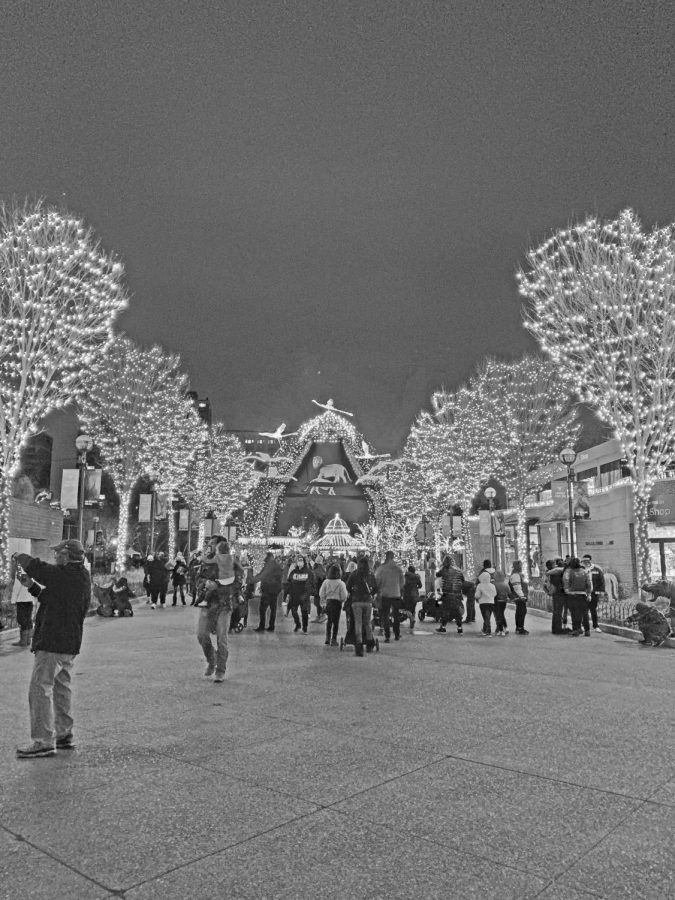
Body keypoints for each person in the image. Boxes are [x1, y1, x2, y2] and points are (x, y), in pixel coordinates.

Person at [13, 540, 91, 758]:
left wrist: (19, 555)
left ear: (66, 555)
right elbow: (52, 598)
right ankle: (64, 733)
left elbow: (41, 569)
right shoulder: (78, 576)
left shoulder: (67, 574)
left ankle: (43, 739)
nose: (55, 556)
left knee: (39, 688)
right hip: (69, 642)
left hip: (54, 641)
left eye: (57, 553)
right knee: (61, 686)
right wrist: (31, 585)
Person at [197, 538, 243, 681]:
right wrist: (205, 583)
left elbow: (238, 582)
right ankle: (212, 659)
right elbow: (197, 579)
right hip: (208, 603)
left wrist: (220, 586)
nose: (209, 546)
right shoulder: (206, 562)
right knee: (201, 635)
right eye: (209, 544)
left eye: (212, 544)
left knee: (222, 638)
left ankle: (220, 670)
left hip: (224, 604)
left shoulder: (231, 561)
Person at [345, 557, 378, 656]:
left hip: (356, 602)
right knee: (367, 623)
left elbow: (348, 587)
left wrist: (354, 592)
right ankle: (369, 644)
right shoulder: (370, 574)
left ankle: (358, 645)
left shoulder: (354, 574)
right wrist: (370, 594)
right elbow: (376, 588)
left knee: (358, 623)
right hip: (367, 601)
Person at [375, 550, 405, 642]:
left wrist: (379, 591)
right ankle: (397, 634)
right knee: (396, 615)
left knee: (385, 615)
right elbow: (402, 582)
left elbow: (377, 581)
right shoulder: (398, 568)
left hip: (385, 594)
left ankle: (387, 636)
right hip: (396, 594)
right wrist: (398, 589)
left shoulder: (381, 568)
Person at [252, 552, 283, 632]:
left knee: (262, 609)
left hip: (267, 590)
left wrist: (253, 579)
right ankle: (271, 626)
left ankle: (262, 626)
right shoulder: (277, 566)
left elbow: (262, 575)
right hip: (274, 591)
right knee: (273, 609)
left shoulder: (268, 566)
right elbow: (280, 578)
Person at [562, 557, 592, 636]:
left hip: (572, 595)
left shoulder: (568, 572)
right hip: (583, 595)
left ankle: (576, 629)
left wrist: (567, 591)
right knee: (584, 613)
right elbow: (589, 584)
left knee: (575, 613)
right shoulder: (585, 572)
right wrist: (588, 594)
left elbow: (566, 582)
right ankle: (587, 630)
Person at [435, 555, 465, 634]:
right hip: (457, 594)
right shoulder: (459, 570)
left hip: (446, 594)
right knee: (456, 611)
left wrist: (441, 567)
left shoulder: (444, 569)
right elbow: (463, 580)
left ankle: (443, 627)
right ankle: (459, 628)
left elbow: (437, 574)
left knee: (445, 610)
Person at [320, 563, 348, 645]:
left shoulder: (326, 582)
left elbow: (321, 593)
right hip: (337, 603)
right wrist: (342, 600)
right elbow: (344, 596)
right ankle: (334, 639)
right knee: (336, 622)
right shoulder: (341, 583)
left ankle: (327, 638)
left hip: (329, 603)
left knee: (329, 621)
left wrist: (323, 601)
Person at [286, 555, 314, 634]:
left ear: (304, 562)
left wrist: (309, 594)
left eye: (301, 560)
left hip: (304, 596)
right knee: (293, 611)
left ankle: (305, 628)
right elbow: (289, 583)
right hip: (294, 595)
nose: (300, 562)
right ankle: (297, 624)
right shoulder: (294, 572)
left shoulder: (308, 572)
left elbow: (311, 584)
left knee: (304, 612)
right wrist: (288, 593)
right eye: (298, 560)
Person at [544, 558, 569, 634]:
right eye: (554, 564)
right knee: (558, 612)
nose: (556, 565)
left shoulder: (550, 573)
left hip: (555, 594)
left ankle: (555, 628)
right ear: (552, 565)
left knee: (556, 612)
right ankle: (558, 629)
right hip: (559, 594)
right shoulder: (555, 574)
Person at [581, 554, 605, 632]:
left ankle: (596, 626)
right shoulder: (581, 569)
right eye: (584, 561)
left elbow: (601, 581)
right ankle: (583, 625)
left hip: (594, 593)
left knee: (593, 610)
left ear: (590, 560)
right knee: (584, 610)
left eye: (587, 561)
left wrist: (600, 591)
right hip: (583, 593)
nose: (586, 562)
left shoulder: (597, 569)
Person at [508, 560, 529, 635]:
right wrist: (522, 596)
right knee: (521, 611)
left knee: (521, 611)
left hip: (519, 596)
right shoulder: (516, 575)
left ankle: (519, 628)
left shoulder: (517, 574)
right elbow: (517, 587)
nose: (521, 567)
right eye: (520, 565)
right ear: (517, 566)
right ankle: (520, 628)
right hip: (519, 597)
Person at [475, 570, 496, 635]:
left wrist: (477, 597)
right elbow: (495, 593)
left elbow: (477, 595)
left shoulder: (480, 585)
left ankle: (488, 631)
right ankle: (484, 629)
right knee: (488, 616)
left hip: (483, 603)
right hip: (491, 603)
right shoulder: (492, 585)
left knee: (485, 617)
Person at [402, 565, 422, 631]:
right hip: (415, 594)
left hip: (407, 594)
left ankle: (412, 619)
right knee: (413, 609)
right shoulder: (417, 577)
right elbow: (420, 585)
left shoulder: (406, 576)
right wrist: (416, 587)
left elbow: (403, 584)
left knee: (407, 608)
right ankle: (411, 622)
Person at [493, 569, 510, 635]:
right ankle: (505, 627)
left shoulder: (494, 584)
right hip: (504, 602)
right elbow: (509, 592)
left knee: (498, 616)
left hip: (497, 601)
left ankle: (501, 630)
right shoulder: (505, 584)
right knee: (501, 614)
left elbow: (493, 593)